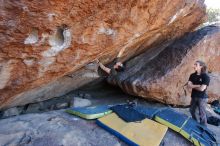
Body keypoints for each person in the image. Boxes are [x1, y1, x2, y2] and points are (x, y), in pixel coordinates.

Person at [187, 60, 210, 126]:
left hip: (202, 98)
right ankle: (195, 124)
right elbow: (188, 85)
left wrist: (192, 86)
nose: (194, 66)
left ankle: (204, 127)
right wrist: (198, 85)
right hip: (193, 96)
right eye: (194, 64)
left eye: (196, 64)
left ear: (201, 66)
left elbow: (202, 89)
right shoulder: (192, 75)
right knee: (192, 111)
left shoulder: (205, 76)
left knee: (202, 114)